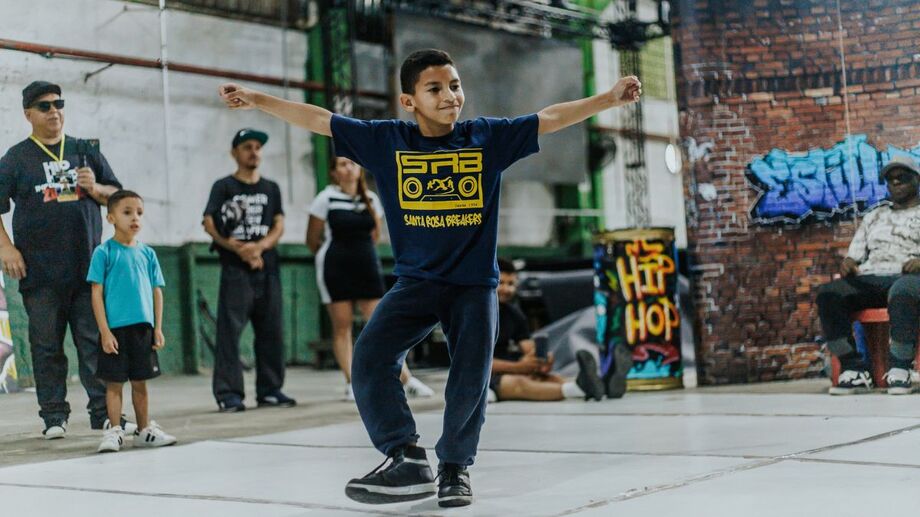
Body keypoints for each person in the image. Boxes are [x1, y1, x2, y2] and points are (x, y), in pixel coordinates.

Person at [218, 48, 641, 507]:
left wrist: (608, 98)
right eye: (434, 89)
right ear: (409, 101)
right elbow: (320, 119)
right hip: (416, 283)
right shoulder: (387, 141)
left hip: (473, 286)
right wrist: (258, 99)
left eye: (454, 85)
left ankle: (455, 469)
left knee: (470, 377)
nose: (449, 96)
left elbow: (550, 117)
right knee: (370, 359)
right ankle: (405, 456)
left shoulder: (487, 137)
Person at [0, 81, 128, 439]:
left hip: (88, 268)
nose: (54, 111)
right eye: (44, 106)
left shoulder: (84, 150)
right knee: (46, 347)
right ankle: (54, 417)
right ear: (28, 114)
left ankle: (104, 414)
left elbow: (119, 197)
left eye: (59, 104)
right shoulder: (16, 158)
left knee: (95, 343)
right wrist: (6, 248)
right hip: (40, 271)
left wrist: (96, 188)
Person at [307, 156, 435, 401]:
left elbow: (374, 235)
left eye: (352, 164)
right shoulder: (325, 199)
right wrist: (337, 256)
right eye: (342, 164)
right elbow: (312, 238)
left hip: (366, 268)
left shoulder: (372, 199)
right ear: (334, 172)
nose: (348, 168)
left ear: (360, 169)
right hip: (335, 269)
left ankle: (407, 379)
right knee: (342, 326)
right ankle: (352, 383)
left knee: (382, 323)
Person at [202, 129, 295, 412]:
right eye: (247, 147)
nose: (253, 152)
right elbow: (209, 222)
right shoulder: (223, 186)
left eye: (257, 147)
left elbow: (278, 224)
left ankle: (270, 389)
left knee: (271, 330)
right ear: (235, 152)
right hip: (235, 269)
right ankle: (229, 393)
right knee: (229, 333)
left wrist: (259, 247)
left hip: (267, 268)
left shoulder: (271, 188)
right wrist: (237, 248)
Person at [816, 154, 920, 395]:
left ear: (916, 180)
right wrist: (849, 263)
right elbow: (854, 255)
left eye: (902, 177)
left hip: (909, 278)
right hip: (872, 277)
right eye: (891, 180)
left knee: (902, 291)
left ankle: (900, 368)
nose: (895, 183)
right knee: (829, 294)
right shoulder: (875, 215)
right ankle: (853, 369)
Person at [88, 190, 177, 452]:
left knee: (140, 383)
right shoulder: (103, 253)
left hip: (142, 331)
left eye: (139, 213)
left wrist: (157, 328)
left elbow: (157, 291)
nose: (135, 218)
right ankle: (115, 431)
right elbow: (96, 293)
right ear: (111, 218)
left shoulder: (148, 254)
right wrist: (105, 331)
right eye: (127, 212)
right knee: (114, 384)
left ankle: (144, 430)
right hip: (115, 331)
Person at [488, 259, 605, 402]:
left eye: (511, 284)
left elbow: (527, 347)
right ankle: (577, 390)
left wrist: (540, 359)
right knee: (518, 383)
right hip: (482, 374)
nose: (506, 289)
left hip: (507, 368)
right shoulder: (477, 315)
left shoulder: (514, 314)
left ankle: (597, 385)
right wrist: (519, 367)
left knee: (549, 378)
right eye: (501, 283)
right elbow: (477, 362)